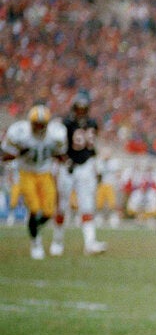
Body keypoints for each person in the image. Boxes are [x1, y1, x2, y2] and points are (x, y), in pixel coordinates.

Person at [1, 103, 68, 259]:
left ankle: (33, 228)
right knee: (34, 208)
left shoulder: (56, 133)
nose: (38, 128)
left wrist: (64, 160)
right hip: (26, 172)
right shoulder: (19, 132)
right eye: (35, 124)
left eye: (41, 125)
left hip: (45, 172)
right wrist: (19, 153)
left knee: (48, 211)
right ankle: (35, 242)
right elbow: (6, 154)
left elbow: (60, 154)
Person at [52, 90, 107, 256]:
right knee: (61, 206)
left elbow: (92, 147)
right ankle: (57, 242)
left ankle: (90, 243)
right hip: (68, 167)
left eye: (84, 109)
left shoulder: (91, 123)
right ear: (74, 108)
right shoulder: (65, 124)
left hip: (85, 167)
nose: (81, 112)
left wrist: (97, 167)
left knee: (87, 205)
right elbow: (58, 147)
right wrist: (65, 161)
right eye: (79, 109)